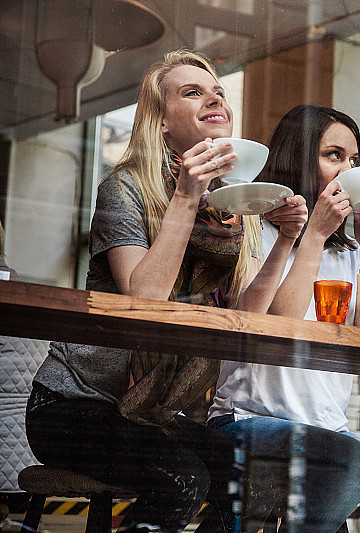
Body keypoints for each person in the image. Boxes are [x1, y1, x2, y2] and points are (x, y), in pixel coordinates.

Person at [25, 49, 308, 533]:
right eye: (192, 92)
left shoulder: (235, 210)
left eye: (219, 91)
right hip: (72, 405)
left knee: (256, 486)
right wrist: (186, 194)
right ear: (161, 123)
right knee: (183, 479)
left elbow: (253, 315)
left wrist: (286, 240)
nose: (215, 99)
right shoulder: (126, 188)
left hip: (153, 415)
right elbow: (145, 301)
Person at [208, 104, 360, 532]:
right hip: (249, 419)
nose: (347, 169)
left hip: (329, 429)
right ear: (299, 158)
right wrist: (312, 232)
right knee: (346, 462)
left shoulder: (348, 253)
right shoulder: (255, 230)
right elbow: (279, 321)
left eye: (353, 160)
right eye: (334, 155)